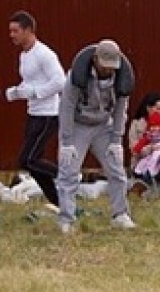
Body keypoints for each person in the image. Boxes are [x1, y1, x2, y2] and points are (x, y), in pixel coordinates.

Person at [56, 39, 137, 233]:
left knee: (116, 170)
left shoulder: (121, 78)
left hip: (104, 126)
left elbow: (120, 109)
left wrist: (117, 140)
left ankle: (120, 214)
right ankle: (66, 218)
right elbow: (66, 106)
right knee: (69, 171)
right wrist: (66, 141)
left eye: (112, 66)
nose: (108, 70)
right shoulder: (77, 76)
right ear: (95, 60)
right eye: (104, 65)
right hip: (78, 125)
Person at [5, 10, 65, 207]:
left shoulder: (44, 54)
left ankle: (67, 175)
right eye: (10, 31)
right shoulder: (24, 55)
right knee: (31, 163)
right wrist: (17, 92)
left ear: (28, 30)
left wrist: (35, 93)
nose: (11, 35)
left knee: (28, 159)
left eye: (15, 31)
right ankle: (59, 203)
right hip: (34, 113)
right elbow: (30, 82)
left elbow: (60, 81)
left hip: (48, 114)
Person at [128, 91, 160, 175]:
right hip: (141, 163)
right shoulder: (136, 124)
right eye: (158, 109)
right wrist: (150, 148)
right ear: (148, 108)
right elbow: (134, 148)